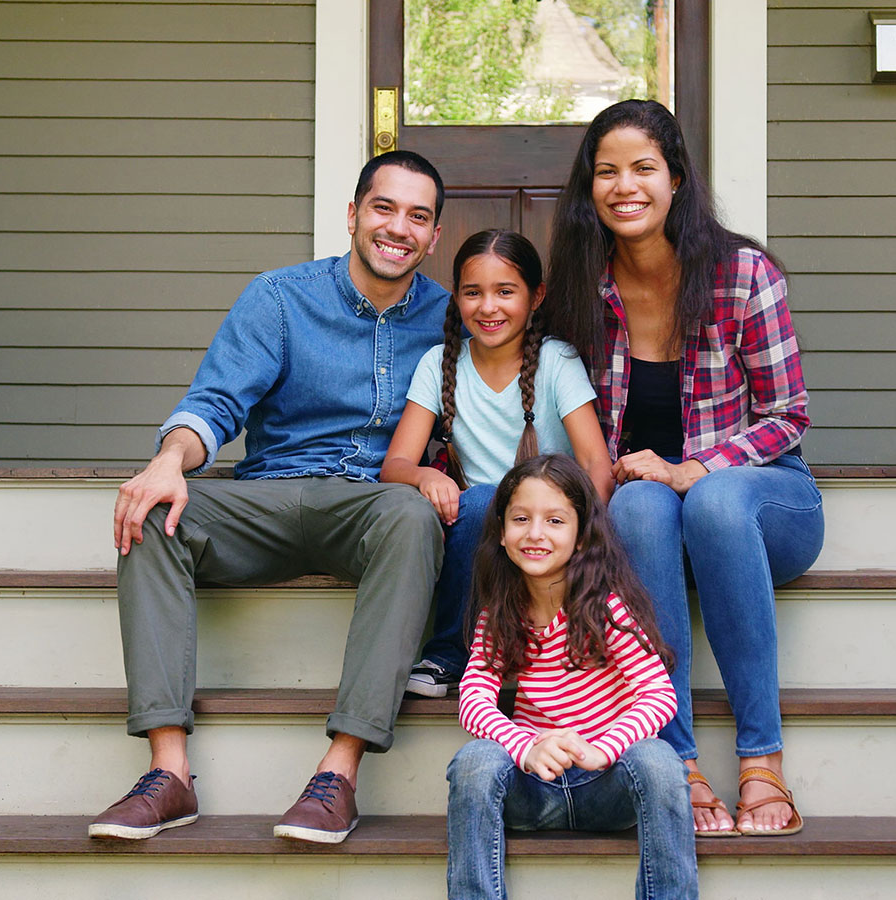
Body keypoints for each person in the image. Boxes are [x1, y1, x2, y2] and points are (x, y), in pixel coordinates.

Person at [87, 150, 450, 845]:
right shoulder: (280, 297)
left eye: (418, 216)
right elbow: (216, 402)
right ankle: (168, 775)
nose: (398, 227)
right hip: (271, 497)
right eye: (384, 207)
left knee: (411, 516)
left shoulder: (450, 316)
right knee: (156, 511)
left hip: (373, 508)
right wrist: (169, 460)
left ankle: (337, 775)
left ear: (433, 237)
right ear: (353, 215)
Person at [543, 99, 825, 837]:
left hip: (765, 507)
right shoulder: (583, 286)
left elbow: (787, 418)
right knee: (635, 510)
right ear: (588, 188)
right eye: (606, 171)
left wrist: (692, 468)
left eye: (643, 168)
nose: (623, 185)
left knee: (713, 503)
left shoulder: (741, 274)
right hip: (652, 520)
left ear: (675, 180)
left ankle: (763, 757)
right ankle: (678, 762)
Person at [447, 454, 698, 900]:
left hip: (609, 785)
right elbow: (474, 699)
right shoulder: (501, 614)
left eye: (555, 520)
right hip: (532, 788)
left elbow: (658, 694)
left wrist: (605, 749)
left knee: (659, 760)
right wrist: (526, 746)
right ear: (502, 534)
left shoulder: (606, 609)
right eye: (520, 518)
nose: (536, 533)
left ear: (582, 537)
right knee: (474, 761)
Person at [380, 229, 611, 699]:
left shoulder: (556, 361)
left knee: (519, 510)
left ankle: (554, 654)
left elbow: (594, 463)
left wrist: (583, 526)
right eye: (473, 292)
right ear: (457, 297)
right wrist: (424, 474)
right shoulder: (438, 364)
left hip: (551, 523)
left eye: (505, 292)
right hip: (477, 530)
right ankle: (451, 654)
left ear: (535, 296)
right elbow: (395, 464)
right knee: (482, 500)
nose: (488, 307)